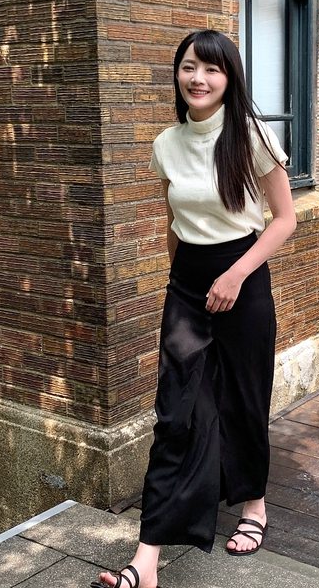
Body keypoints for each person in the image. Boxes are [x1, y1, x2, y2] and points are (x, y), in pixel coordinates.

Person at [92, 29, 297, 588]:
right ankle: (146, 561)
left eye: (211, 69)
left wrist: (234, 275)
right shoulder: (167, 143)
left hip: (242, 278)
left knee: (244, 400)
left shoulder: (251, 136)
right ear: (177, 74)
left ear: (229, 77)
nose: (198, 78)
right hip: (187, 285)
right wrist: (178, 280)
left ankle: (253, 506)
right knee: (176, 413)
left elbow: (284, 220)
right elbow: (173, 222)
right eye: (188, 67)